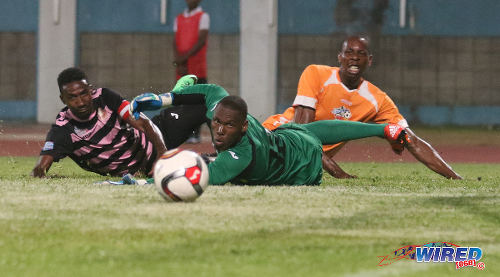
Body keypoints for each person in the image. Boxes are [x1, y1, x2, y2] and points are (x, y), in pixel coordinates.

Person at [262, 36, 462, 180]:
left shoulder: (377, 99)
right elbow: (299, 136)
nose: (355, 57)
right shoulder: (316, 74)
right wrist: (336, 172)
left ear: (370, 60)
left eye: (361, 53)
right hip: (273, 139)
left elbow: (410, 139)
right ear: (339, 57)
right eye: (349, 52)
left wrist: (455, 178)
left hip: (299, 163)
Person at [129, 83, 410, 185]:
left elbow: (203, 177)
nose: (219, 130)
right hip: (282, 137)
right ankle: (383, 130)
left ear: (243, 126)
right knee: (303, 130)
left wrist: (142, 183)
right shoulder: (227, 112)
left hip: (301, 167)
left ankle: (381, 129)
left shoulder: (241, 154)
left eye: (227, 126)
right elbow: (211, 91)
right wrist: (163, 98)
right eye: (216, 123)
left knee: (310, 138)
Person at [30, 68, 204, 179]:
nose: (81, 101)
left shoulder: (105, 97)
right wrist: (42, 173)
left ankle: (178, 95)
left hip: (159, 136)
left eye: (84, 94)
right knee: (204, 166)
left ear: (90, 91)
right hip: (141, 171)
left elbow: (142, 123)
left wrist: (162, 156)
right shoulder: (64, 129)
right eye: (72, 97)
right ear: (63, 99)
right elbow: (40, 168)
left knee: (207, 105)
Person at [172, 0, 210, 144]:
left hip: (197, 67)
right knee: (183, 101)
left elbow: (201, 41)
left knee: (198, 102)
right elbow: (175, 41)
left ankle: (196, 133)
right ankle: (186, 132)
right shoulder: (178, 18)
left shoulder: (203, 16)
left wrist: (184, 59)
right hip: (182, 68)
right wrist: (178, 61)